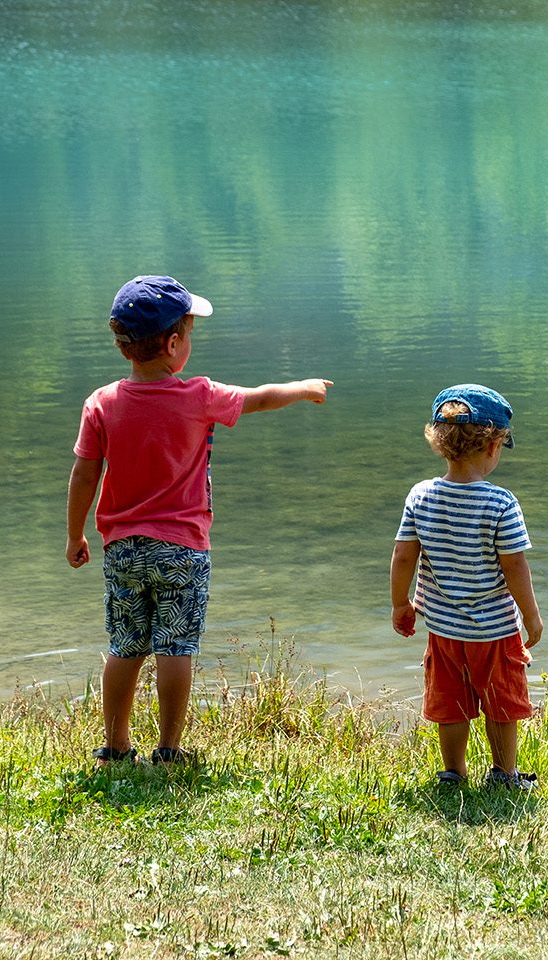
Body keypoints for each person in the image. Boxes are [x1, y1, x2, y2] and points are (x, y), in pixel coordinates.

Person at [66, 275, 332, 766]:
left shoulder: (101, 403)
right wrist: (303, 388)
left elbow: (84, 473)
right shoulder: (199, 395)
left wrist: (75, 533)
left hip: (122, 548)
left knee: (125, 646)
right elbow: (260, 398)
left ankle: (115, 745)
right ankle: (168, 749)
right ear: (172, 345)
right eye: (189, 334)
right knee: (176, 646)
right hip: (184, 548)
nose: (190, 343)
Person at [390, 384, 543, 789]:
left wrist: (400, 604)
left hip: (442, 629)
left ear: (440, 443)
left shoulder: (420, 496)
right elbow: (515, 566)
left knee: (450, 704)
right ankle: (505, 775)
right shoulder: (501, 504)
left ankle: (453, 774)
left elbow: (404, 555)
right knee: (502, 703)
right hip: (494, 631)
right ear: (493, 445)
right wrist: (532, 616)